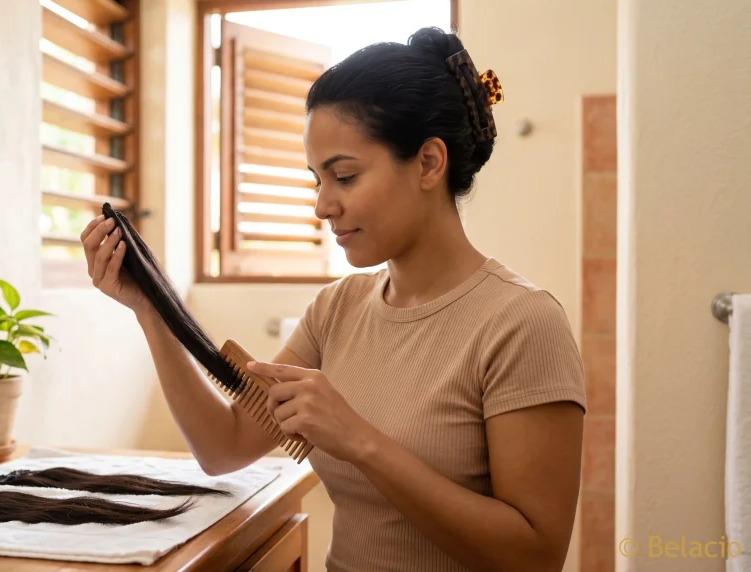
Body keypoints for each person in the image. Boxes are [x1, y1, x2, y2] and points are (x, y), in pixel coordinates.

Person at [80, 26, 586, 572]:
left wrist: (360, 441)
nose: (323, 206)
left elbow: (535, 557)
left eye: (344, 176)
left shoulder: (521, 324)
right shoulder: (336, 309)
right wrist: (152, 312)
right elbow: (223, 447)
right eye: (317, 180)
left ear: (428, 163)